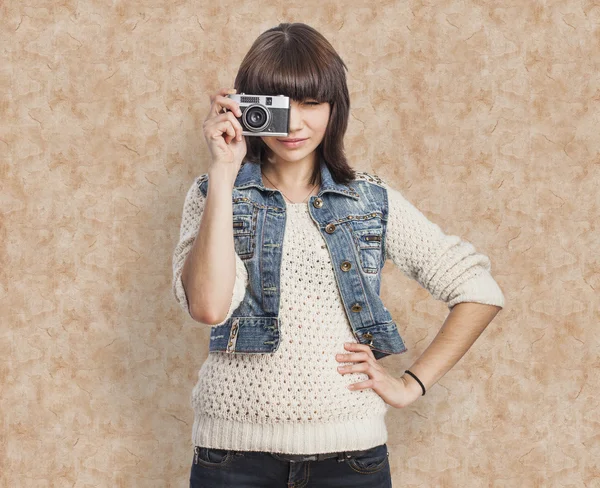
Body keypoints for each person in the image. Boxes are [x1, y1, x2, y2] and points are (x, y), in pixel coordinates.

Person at [172, 22, 505, 488]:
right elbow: (208, 307)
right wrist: (225, 172)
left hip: (350, 463)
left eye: (311, 104)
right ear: (248, 109)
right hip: (233, 460)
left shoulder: (369, 199)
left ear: (335, 108)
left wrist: (410, 385)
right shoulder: (213, 192)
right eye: (278, 106)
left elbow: (478, 289)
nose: (294, 124)